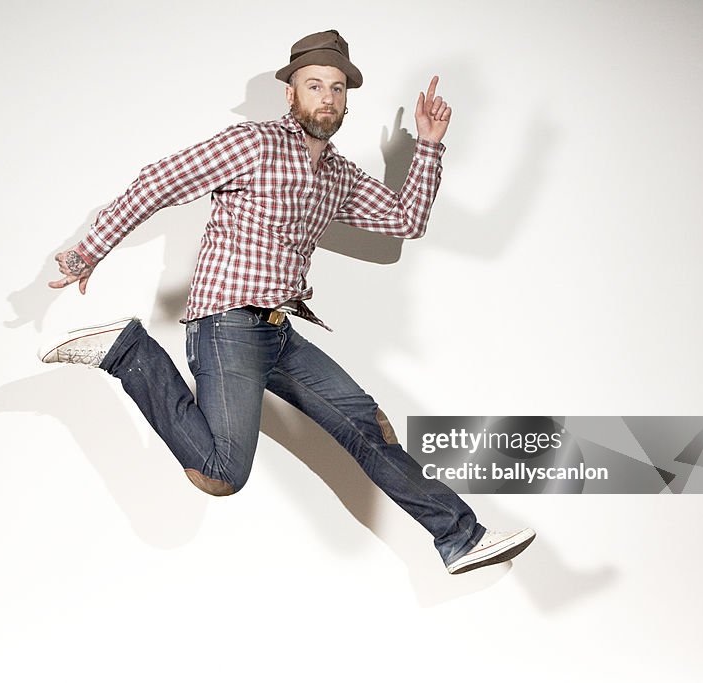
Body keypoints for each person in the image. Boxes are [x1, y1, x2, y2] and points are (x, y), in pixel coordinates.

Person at [40, 30, 535, 574]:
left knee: (369, 427)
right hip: (225, 323)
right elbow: (159, 181)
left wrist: (428, 146)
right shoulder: (251, 144)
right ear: (291, 94)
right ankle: (127, 353)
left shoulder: (338, 173)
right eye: (315, 84)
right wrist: (89, 251)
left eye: (338, 88)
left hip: (279, 332)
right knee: (222, 474)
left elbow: (404, 221)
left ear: (346, 100)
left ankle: (460, 539)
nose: (327, 97)